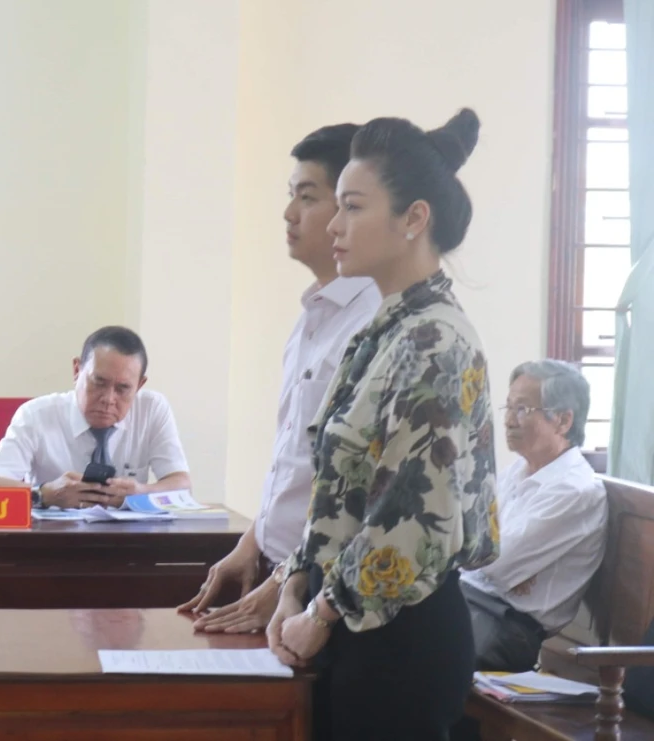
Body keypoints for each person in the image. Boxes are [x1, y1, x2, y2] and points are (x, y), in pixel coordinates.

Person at [265, 109, 500, 741]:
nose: (334, 226)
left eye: (353, 207)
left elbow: (411, 518)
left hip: (399, 638)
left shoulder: (436, 341)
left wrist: (321, 611)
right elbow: (337, 490)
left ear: (413, 218)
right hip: (349, 623)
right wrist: (294, 582)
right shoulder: (388, 328)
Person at [178, 124, 381, 632]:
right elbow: (295, 459)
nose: (289, 213)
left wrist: (287, 581)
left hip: (325, 589)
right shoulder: (312, 317)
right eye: (291, 195)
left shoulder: (372, 324)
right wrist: (251, 543)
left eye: (307, 197)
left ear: (350, 206)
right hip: (278, 572)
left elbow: (359, 489)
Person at [461, 360, 607, 672]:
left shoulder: (575, 490)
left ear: (563, 421)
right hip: (475, 604)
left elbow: (491, 560)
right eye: (508, 407)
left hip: (506, 629)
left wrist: (485, 561)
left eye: (523, 410)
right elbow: (477, 543)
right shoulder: (518, 471)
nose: (508, 421)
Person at [0, 326, 190, 508]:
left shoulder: (151, 409)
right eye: (99, 382)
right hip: (52, 538)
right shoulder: (36, 415)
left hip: (129, 539)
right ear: (77, 370)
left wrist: (140, 492)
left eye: (123, 388)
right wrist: (45, 494)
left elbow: (182, 484)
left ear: (139, 385)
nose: (108, 399)